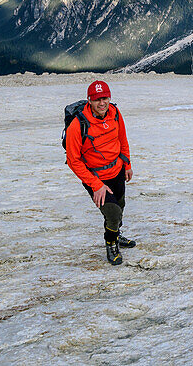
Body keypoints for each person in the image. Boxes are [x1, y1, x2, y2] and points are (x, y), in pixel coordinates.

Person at [65, 80, 135, 265]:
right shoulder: (77, 124)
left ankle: (116, 234)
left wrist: (126, 164)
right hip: (95, 177)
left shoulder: (115, 113)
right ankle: (111, 243)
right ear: (89, 100)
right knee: (112, 213)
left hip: (117, 170)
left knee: (120, 207)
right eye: (97, 100)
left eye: (104, 98)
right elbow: (73, 160)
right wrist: (96, 185)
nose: (102, 103)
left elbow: (122, 139)